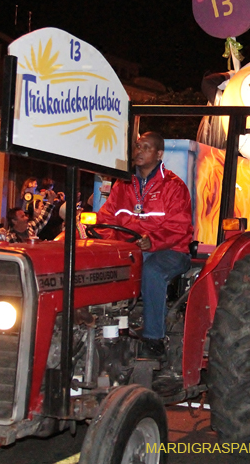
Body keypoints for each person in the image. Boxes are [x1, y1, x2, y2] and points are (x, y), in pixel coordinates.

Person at [95, 132, 193, 359]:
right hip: (132, 250)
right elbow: (106, 219)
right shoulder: (122, 185)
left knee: (152, 270)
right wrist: (111, 244)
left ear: (159, 154)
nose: (139, 151)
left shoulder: (173, 186)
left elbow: (180, 228)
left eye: (146, 148)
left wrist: (153, 241)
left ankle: (154, 339)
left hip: (170, 251)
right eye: (138, 146)